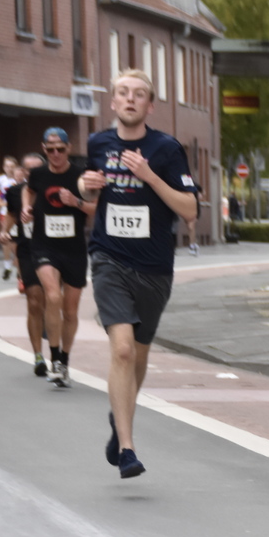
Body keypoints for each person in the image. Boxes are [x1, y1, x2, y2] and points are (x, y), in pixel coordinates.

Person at [78, 69, 200, 479]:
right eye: (123, 93)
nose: (130, 99)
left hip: (154, 267)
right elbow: (90, 190)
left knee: (141, 353)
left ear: (150, 105)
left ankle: (120, 419)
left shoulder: (166, 149)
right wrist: (85, 185)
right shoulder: (98, 143)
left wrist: (149, 176)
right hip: (109, 258)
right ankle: (128, 450)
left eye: (140, 94)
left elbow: (189, 210)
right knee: (123, 350)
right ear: (112, 102)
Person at [26, 127, 96, 388]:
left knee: (70, 310)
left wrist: (73, 202)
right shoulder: (37, 173)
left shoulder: (81, 176)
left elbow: (96, 208)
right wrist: (26, 207)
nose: (55, 153)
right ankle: (54, 358)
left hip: (74, 249)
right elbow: (28, 190)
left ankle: (64, 360)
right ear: (44, 149)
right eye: (50, 149)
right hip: (44, 246)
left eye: (61, 149)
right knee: (52, 296)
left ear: (68, 149)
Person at [1, 153, 51, 376]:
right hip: (28, 249)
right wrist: (4, 231)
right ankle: (39, 356)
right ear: (22, 171)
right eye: (27, 169)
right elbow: (11, 215)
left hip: (54, 250)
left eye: (36, 169)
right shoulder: (14, 191)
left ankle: (52, 336)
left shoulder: (53, 190)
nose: (31, 173)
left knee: (51, 299)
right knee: (33, 299)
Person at [0, 156, 19, 280]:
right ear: (4, 168)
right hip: (4, 213)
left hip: (16, 214)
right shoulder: (1, 180)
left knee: (15, 241)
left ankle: (17, 263)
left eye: (12, 166)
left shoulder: (20, 180)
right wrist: (4, 203)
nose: (9, 169)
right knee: (5, 239)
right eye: (7, 166)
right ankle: (7, 264)